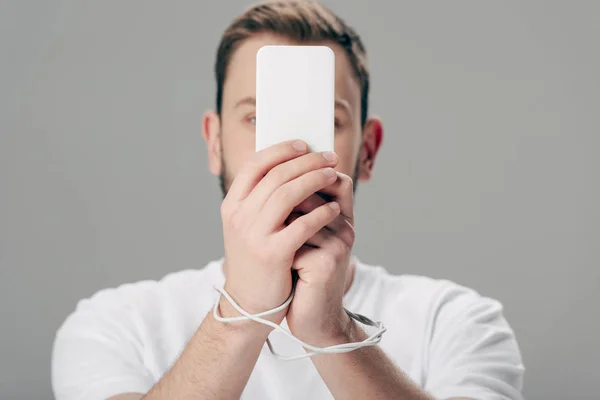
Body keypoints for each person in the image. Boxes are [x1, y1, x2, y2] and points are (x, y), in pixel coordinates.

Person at [51, 1, 525, 399]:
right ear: (214, 142)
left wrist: (333, 332)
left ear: (368, 149)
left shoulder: (459, 322)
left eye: (327, 118)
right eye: (257, 118)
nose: (287, 153)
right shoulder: (114, 324)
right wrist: (240, 311)